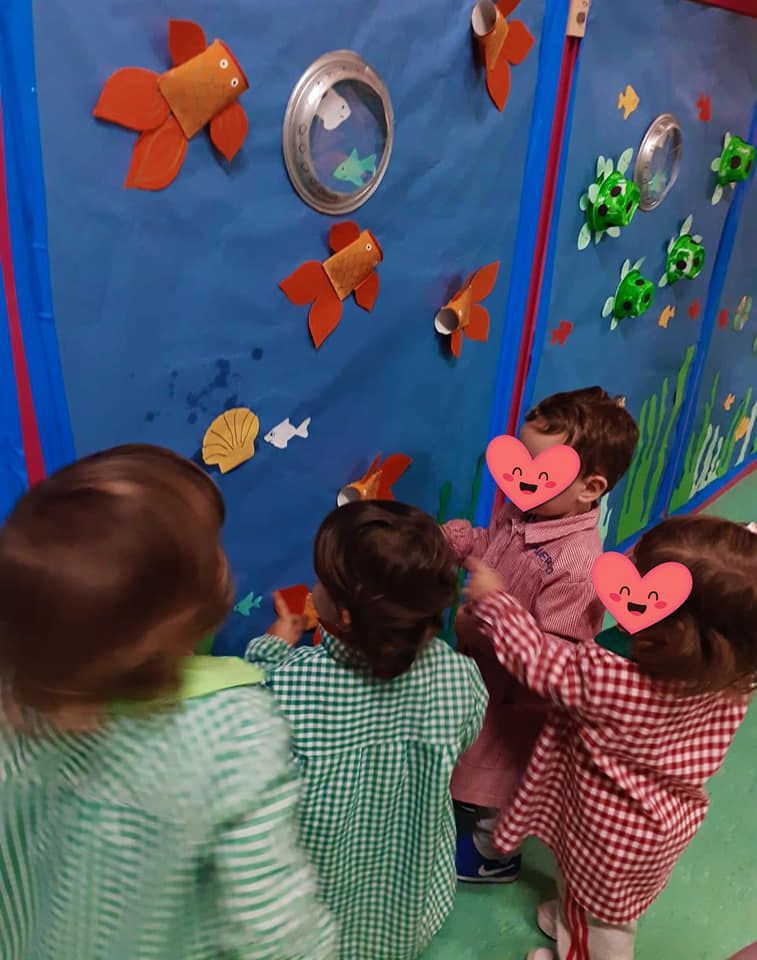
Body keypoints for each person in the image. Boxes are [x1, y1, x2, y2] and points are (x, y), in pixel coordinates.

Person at [0, 445, 336, 960]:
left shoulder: (17, 699)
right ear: (184, 616)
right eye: (211, 550)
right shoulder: (231, 732)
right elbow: (276, 930)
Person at [462, 515, 757, 960]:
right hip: (653, 827)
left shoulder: (609, 679)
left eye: (637, 576)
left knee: (601, 925)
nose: (622, 569)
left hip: (604, 834)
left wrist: (495, 600)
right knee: (605, 907)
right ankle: (574, 922)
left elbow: (539, 660)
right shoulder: (733, 676)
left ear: (670, 633)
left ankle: (578, 946)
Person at [246, 501, 488, 960]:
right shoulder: (460, 677)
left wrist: (271, 646)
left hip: (321, 904)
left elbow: (249, 714)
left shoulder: (290, 686)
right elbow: (465, 733)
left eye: (322, 581)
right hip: (408, 899)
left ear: (347, 614)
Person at [444, 386, 638, 882]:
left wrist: (493, 612)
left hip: (516, 700)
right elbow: (496, 544)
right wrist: (467, 542)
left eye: (538, 470)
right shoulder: (526, 506)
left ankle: (494, 852)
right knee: (468, 758)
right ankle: (471, 817)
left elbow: (557, 660)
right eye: (518, 463)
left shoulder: (578, 566)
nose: (518, 480)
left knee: (498, 772)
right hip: (480, 673)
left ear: (589, 488)